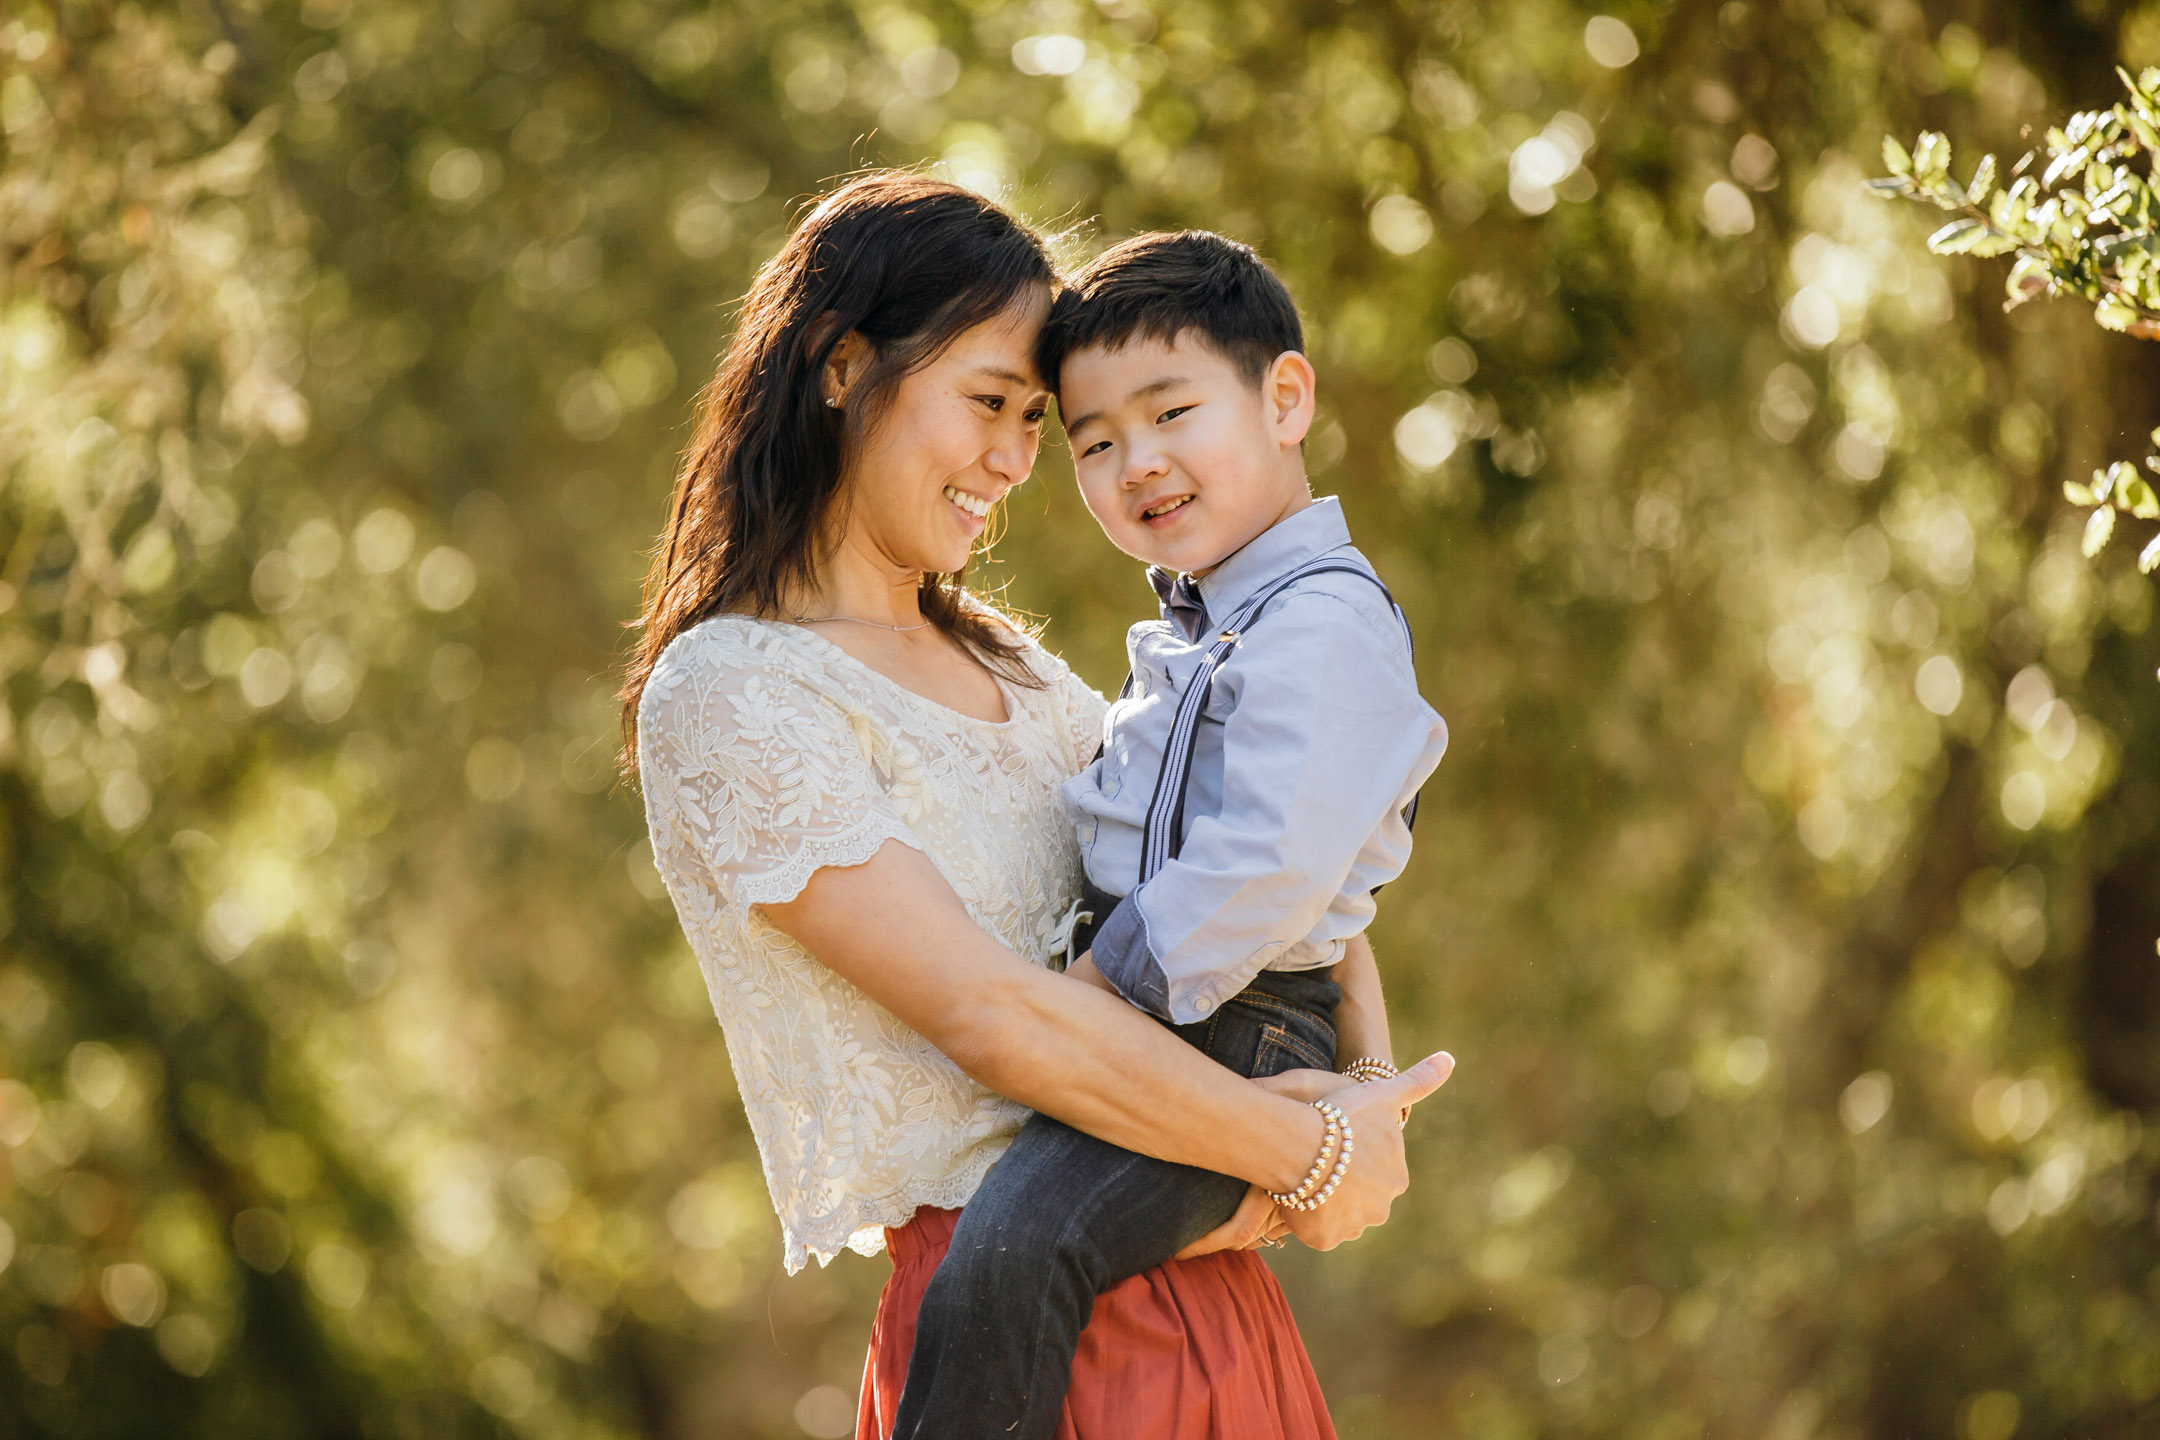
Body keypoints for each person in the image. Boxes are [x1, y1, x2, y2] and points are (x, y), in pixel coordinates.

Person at [623, 171, 1454, 1440]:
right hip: (1012, 1322)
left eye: (1032, 422)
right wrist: (1309, 1158)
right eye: (996, 409)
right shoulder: (738, 693)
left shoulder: (1024, 672)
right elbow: (993, 1015)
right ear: (844, 367)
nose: (1017, 463)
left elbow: (1298, 859)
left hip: (1209, 1310)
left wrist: (1367, 1095)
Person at [889, 231, 1449, 1440]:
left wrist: (1097, 990)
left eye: (1171, 412)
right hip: (1187, 1009)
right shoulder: (1193, 638)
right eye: (1092, 443)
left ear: (1284, 396)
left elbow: (1271, 866)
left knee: (1010, 1259)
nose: (1136, 463)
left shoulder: (1328, 624)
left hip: (1222, 1023)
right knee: (1001, 1261)